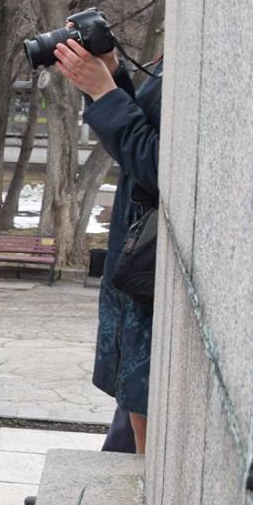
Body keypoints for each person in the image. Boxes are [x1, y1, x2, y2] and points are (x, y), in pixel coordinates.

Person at [54, 36, 163, 453]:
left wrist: (104, 92)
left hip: (148, 261)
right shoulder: (180, 52)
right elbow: (148, 133)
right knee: (133, 404)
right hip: (140, 255)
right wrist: (113, 74)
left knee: (145, 428)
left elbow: (159, 165)